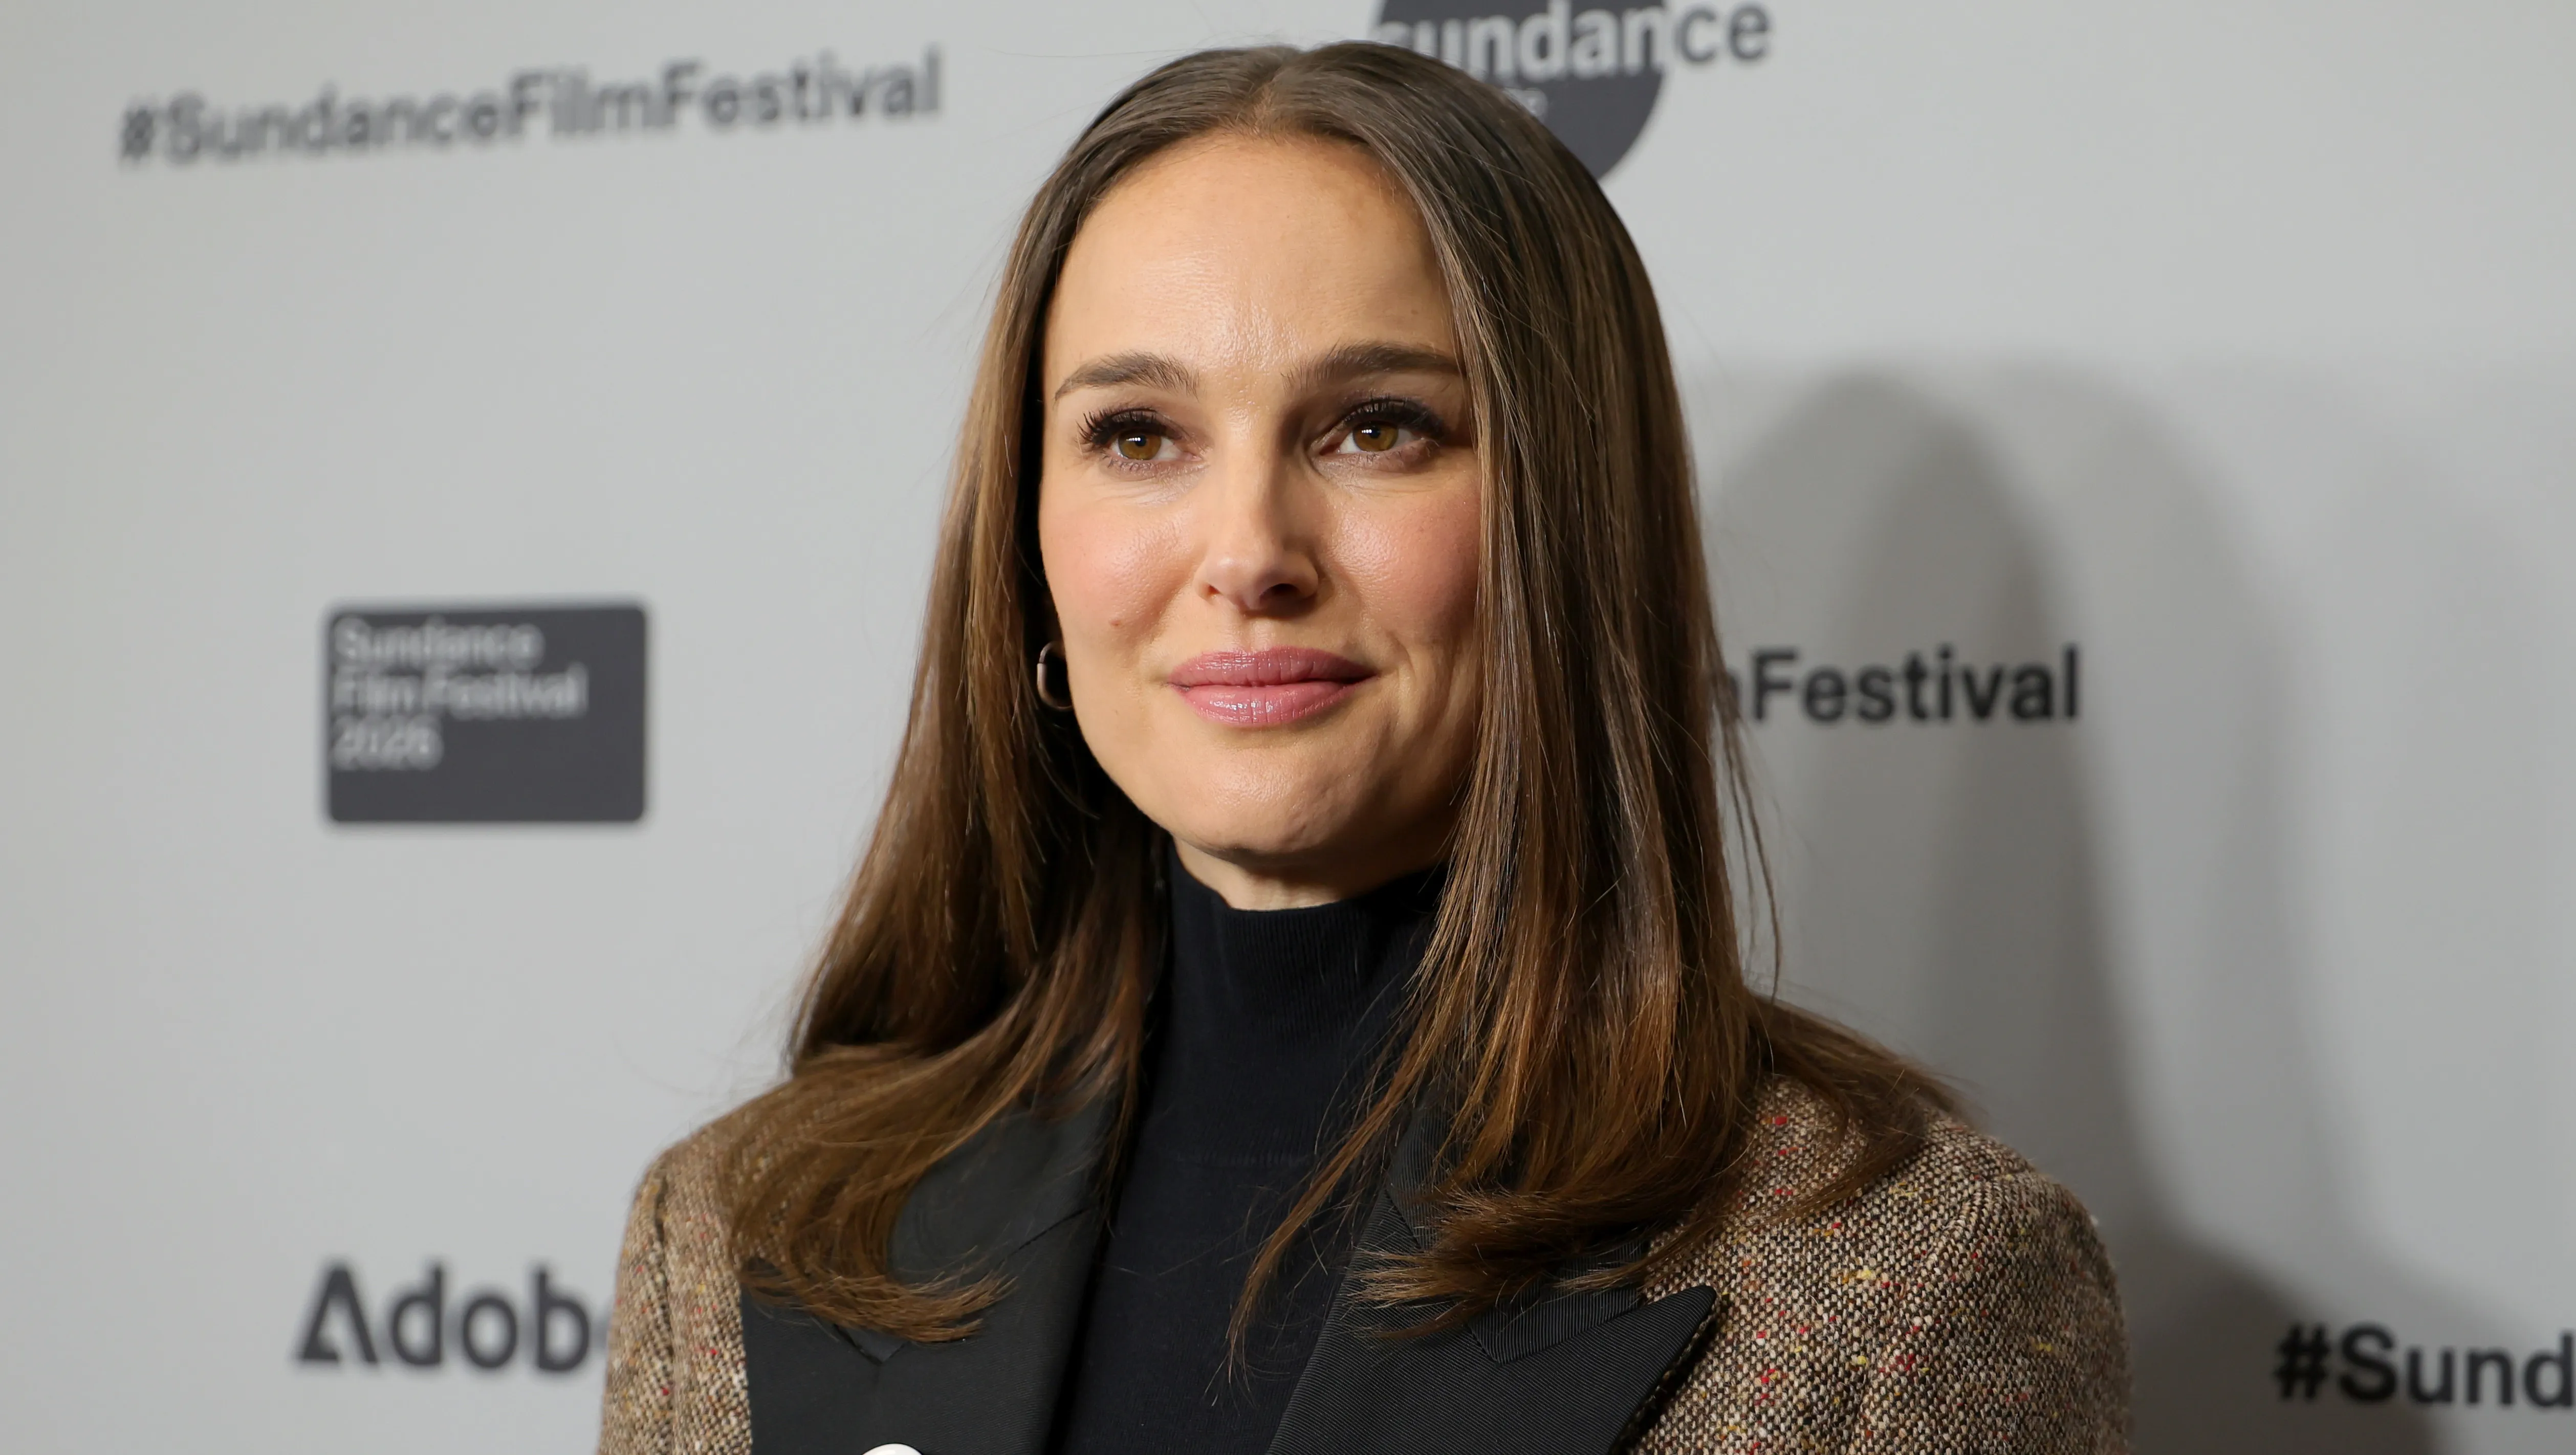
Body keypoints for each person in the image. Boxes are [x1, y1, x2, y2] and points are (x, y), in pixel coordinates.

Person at [596, 41, 2128, 1455]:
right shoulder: (735, 1224)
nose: (1249, 550)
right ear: (1030, 542)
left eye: (1377, 425)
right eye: (1140, 434)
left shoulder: (1905, 1288)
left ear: (1564, 518)